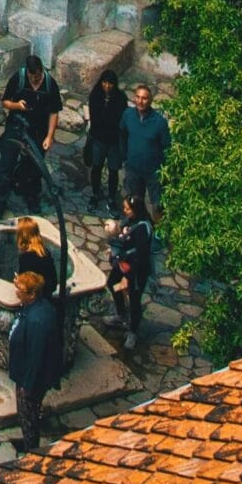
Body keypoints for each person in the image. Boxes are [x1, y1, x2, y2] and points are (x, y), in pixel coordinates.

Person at [7, 270, 64, 453]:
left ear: (31, 294)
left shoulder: (37, 321)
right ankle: (28, 440)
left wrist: (27, 385)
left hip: (30, 379)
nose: (17, 292)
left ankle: (31, 449)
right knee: (29, 412)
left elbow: (36, 356)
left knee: (27, 414)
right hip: (27, 372)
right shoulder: (39, 308)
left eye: (21, 290)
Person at [0, 54, 63, 208]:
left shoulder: (50, 84)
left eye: (37, 76)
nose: (34, 79)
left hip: (38, 130)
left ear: (42, 71)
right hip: (16, 126)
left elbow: (54, 112)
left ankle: (32, 197)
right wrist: (17, 106)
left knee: (34, 167)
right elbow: (5, 102)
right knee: (6, 163)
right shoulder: (18, 79)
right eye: (31, 76)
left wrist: (49, 136)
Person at [106, 195, 155, 349]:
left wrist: (128, 276)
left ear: (135, 210)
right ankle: (121, 314)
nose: (124, 211)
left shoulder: (143, 228)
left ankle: (132, 331)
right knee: (112, 283)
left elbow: (139, 255)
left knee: (134, 299)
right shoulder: (129, 221)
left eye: (127, 208)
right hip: (123, 263)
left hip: (136, 270)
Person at [119, 83, 170, 221]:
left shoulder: (159, 122)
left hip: (153, 172)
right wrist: (124, 156)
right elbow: (122, 134)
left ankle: (158, 235)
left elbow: (166, 146)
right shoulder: (128, 115)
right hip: (133, 169)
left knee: (158, 206)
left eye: (144, 98)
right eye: (138, 97)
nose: (140, 101)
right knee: (134, 203)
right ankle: (137, 230)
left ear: (150, 101)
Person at [83, 67, 127, 207]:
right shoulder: (95, 95)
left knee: (113, 171)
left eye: (110, 83)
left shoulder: (120, 98)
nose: (107, 86)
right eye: (105, 82)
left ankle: (112, 198)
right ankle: (96, 193)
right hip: (98, 140)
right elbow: (96, 119)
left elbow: (119, 120)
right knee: (96, 168)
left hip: (113, 142)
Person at [10, 214, 59, 292]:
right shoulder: (45, 251)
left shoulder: (25, 258)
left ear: (22, 236)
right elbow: (53, 283)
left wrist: (17, 282)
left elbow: (25, 287)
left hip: (37, 296)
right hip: (49, 291)